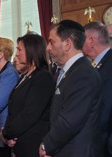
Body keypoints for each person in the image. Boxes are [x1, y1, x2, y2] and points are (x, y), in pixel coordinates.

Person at [39, 20, 102, 157]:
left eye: (52, 42)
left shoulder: (83, 74)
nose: (48, 48)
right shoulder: (69, 71)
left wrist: (47, 145)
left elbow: (70, 121)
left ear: (67, 44)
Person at [0, 33, 55, 157]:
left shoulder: (43, 77)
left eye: (19, 49)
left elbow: (29, 114)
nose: (17, 53)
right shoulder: (25, 75)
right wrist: (7, 133)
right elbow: (14, 109)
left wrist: (6, 132)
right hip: (18, 143)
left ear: (31, 50)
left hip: (32, 145)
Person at [83, 21, 112, 157]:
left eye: (82, 39)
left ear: (91, 41)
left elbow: (105, 108)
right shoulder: (96, 64)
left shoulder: (109, 64)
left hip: (104, 143)